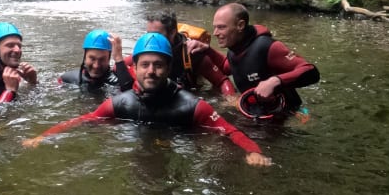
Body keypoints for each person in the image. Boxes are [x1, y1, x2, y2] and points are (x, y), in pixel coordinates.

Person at [23, 32, 272, 166]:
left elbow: (229, 131)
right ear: (137, 68)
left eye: (158, 65)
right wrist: (42, 136)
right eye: (145, 65)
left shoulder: (193, 106)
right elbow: (83, 119)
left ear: (168, 68)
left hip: (180, 150)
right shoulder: (121, 103)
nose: (151, 71)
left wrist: (253, 151)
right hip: (138, 151)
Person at [212, 2, 319, 113]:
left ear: (240, 25)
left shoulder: (266, 47)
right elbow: (226, 68)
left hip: (290, 114)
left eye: (221, 27)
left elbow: (311, 71)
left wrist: (274, 81)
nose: (215, 33)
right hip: (257, 113)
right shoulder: (234, 51)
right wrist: (206, 49)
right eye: (215, 27)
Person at [144, 10, 235, 95]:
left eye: (157, 35)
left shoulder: (191, 53)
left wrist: (231, 102)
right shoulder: (147, 47)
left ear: (172, 33)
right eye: (148, 34)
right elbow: (131, 62)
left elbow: (222, 81)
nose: (151, 40)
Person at [58, 29, 134, 92]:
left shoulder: (118, 82)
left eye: (102, 59)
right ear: (85, 57)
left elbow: (130, 95)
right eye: (92, 59)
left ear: (109, 59)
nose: (96, 65)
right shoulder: (67, 79)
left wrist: (118, 59)